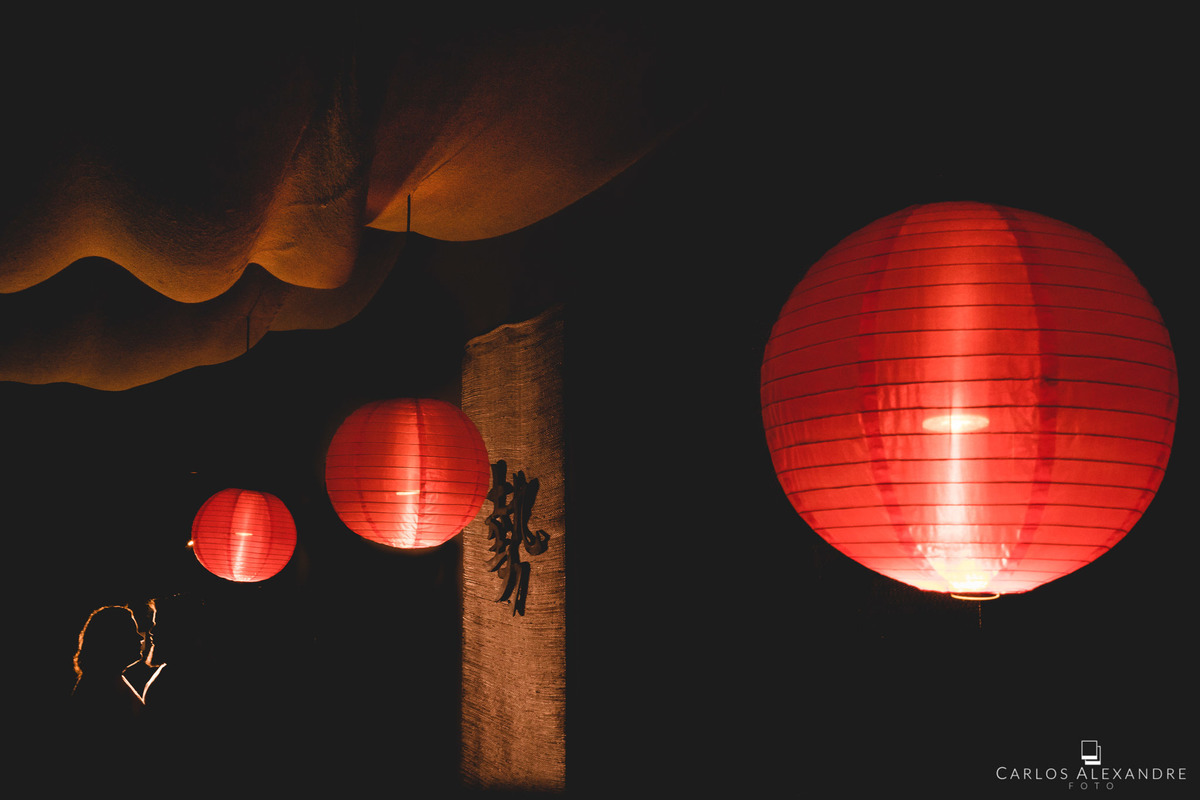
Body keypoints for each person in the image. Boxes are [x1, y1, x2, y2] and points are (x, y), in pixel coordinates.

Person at [70, 605, 146, 724]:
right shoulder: (100, 687)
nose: (140, 638)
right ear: (112, 639)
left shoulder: (108, 679)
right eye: (131, 632)